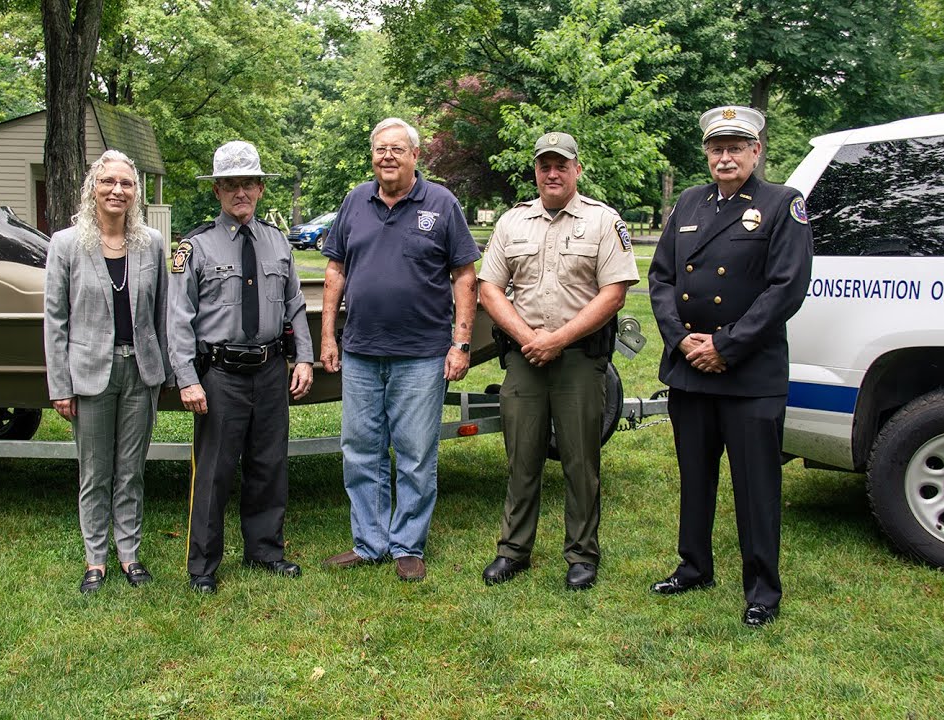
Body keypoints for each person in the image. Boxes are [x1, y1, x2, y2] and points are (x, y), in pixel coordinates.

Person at [646, 106, 813, 626]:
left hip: (749, 373)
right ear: (706, 153)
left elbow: (786, 288)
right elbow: (661, 278)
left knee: (756, 486)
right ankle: (694, 566)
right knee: (695, 477)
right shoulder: (689, 202)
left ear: (756, 152)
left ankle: (762, 589)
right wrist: (681, 341)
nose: (725, 157)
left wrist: (725, 344)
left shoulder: (782, 204)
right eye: (717, 148)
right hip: (691, 369)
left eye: (736, 148)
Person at [318, 117, 481, 582]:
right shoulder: (355, 201)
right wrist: (328, 336)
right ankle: (369, 543)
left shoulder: (442, 203)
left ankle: (407, 544)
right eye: (380, 149)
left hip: (422, 354)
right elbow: (335, 271)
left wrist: (461, 343)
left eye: (397, 149)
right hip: (361, 351)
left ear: (415, 155)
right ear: (372, 156)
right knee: (361, 450)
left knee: (415, 453)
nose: (387, 157)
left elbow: (464, 277)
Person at [477, 132, 639, 591]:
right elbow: (489, 288)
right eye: (544, 165)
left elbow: (614, 293)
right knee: (521, 458)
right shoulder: (512, 222)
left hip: (579, 361)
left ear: (576, 170)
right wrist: (529, 338)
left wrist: (558, 339)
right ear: (536, 171)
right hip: (524, 358)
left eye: (561, 165)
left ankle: (582, 555)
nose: (552, 173)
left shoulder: (603, 221)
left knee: (580, 462)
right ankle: (513, 551)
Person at [167, 140, 315, 593]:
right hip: (220, 376)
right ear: (217, 191)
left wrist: (304, 357)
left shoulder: (276, 242)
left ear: (261, 189)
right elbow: (178, 318)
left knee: (269, 465)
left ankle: (265, 551)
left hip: (270, 371)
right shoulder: (194, 246)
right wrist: (187, 379)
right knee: (214, 472)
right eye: (230, 184)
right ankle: (203, 567)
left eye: (249, 183)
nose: (241, 193)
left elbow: (294, 305)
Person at [43, 149, 171, 594]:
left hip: (141, 371)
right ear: (92, 188)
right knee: (95, 472)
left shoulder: (151, 243)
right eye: (108, 182)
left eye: (126, 183)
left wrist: (166, 372)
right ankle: (95, 560)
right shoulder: (66, 244)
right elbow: (55, 320)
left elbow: (162, 313)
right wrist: (60, 385)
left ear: (136, 192)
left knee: (131, 470)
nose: (117, 190)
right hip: (90, 373)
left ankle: (129, 554)